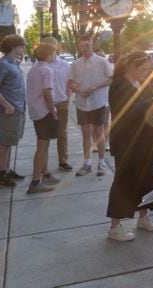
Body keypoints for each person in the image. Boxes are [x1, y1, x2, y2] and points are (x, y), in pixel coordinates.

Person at [106, 51, 153, 241]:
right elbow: (127, 111)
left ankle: (143, 216)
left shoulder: (141, 83)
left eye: (148, 69)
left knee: (147, 179)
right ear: (132, 66)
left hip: (145, 140)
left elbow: (148, 105)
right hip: (126, 142)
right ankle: (115, 226)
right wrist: (151, 103)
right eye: (144, 69)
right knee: (124, 182)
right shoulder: (118, 85)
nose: (146, 73)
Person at [68, 35, 112, 176]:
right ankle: (86, 163)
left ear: (91, 44)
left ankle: (101, 163)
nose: (84, 48)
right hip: (82, 103)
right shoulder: (75, 64)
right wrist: (80, 89)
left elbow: (110, 79)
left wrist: (94, 87)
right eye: (82, 46)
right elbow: (70, 82)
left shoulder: (102, 62)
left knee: (99, 133)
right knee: (86, 133)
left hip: (98, 101)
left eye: (87, 45)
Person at [0, 34, 28, 188]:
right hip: (9, 111)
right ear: (14, 46)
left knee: (10, 141)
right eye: (22, 45)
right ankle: (0, 175)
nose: (24, 48)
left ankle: (7, 169)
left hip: (17, 109)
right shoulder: (2, 65)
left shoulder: (13, 63)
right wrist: (7, 105)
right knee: (5, 142)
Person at [25, 43, 61, 194]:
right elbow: (48, 93)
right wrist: (53, 111)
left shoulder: (34, 69)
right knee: (42, 147)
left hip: (35, 111)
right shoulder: (47, 70)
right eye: (53, 53)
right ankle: (35, 182)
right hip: (44, 112)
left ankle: (45, 174)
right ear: (49, 55)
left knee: (42, 145)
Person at [42, 36, 73, 172]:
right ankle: (44, 166)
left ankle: (63, 161)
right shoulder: (42, 65)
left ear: (57, 48)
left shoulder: (64, 65)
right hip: (45, 104)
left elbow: (69, 83)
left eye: (52, 47)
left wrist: (67, 97)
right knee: (45, 136)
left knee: (62, 133)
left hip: (61, 102)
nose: (50, 50)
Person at [95, 47, 113, 152]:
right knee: (95, 124)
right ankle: (96, 142)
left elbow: (111, 80)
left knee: (105, 121)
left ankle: (106, 142)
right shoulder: (91, 68)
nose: (100, 59)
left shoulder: (108, 66)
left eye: (102, 56)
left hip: (106, 99)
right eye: (98, 56)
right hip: (94, 99)